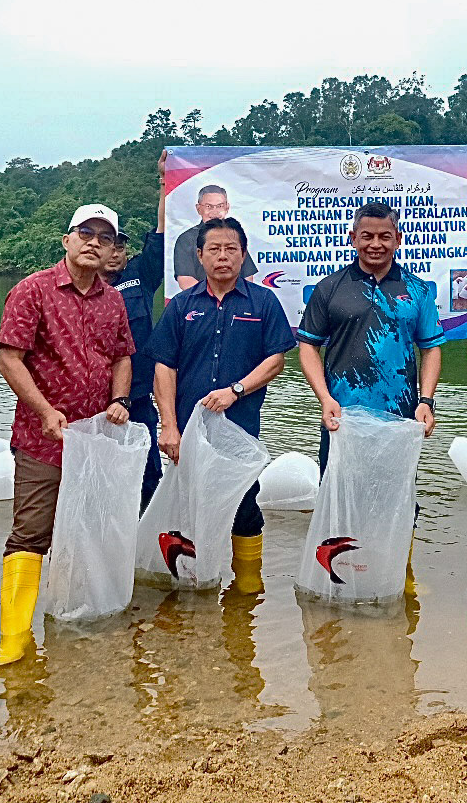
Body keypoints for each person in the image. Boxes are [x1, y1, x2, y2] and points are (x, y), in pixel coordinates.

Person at [0, 203, 135, 667]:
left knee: (87, 528)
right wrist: (45, 410)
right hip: (42, 437)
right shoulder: (32, 291)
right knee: (31, 531)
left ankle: (77, 616)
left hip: (96, 440)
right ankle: (14, 636)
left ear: (113, 249)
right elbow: (10, 359)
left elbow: (122, 356)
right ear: (67, 240)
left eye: (105, 237)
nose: (94, 242)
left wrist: (120, 399)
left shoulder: (113, 300)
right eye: (85, 233)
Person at [146, 216, 296, 592]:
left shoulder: (263, 302)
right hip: (187, 431)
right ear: (199, 256)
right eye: (214, 249)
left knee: (244, 505)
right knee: (187, 506)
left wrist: (237, 389)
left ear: (243, 255)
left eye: (231, 249)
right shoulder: (181, 307)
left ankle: (247, 588)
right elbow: (164, 366)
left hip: (239, 428)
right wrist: (168, 425)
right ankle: (192, 584)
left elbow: (275, 360)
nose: (223, 256)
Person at [298, 202, 445, 468]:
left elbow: (431, 348)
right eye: (367, 236)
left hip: (400, 419)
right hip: (341, 417)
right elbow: (308, 346)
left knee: (397, 503)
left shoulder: (417, 290)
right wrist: (325, 399)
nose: (375, 244)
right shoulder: (329, 288)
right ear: (353, 238)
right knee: (338, 503)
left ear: (398, 240)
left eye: (384, 236)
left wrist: (426, 401)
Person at [104, 162, 169, 507]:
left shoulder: (139, 275)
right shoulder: (80, 290)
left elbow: (161, 231)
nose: (114, 251)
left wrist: (164, 180)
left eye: (120, 246)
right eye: (108, 244)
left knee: (148, 476)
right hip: (92, 401)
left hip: (139, 397)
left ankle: (142, 550)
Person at [172, 184, 256, 290]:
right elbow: (185, 280)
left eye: (220, 206)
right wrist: (214, 299)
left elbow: (248, 276)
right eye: (209, 207)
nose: (215, 211)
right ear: (198, 209)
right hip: (199, 303)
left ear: (227, 207)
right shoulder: (186, 239)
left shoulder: (235, 235)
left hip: (236, 302)